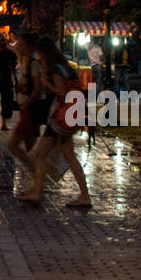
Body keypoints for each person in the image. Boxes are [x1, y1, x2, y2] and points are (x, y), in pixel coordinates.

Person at [23, 42, 91, 207]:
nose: (40, 59)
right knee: (68, 155)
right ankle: (84, 195)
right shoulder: (66, 67)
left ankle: (38, 192)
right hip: (68, 117)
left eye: (41, 56)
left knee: (40, 153)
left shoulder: (55, 69)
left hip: (59, 119)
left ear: (46, 55)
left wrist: (46, 82)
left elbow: (60, 91)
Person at [7, 33, 49, 192]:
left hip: (30, 111)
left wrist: (27, 103)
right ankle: (38, 183)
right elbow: (16, 51)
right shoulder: (25, 62)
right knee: (31, 148)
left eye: (23, 44)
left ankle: (38, 178)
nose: (20, 47)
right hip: (26, 111)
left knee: (13, 145)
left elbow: (38, 89)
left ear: (30, 47)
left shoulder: (34, 64)